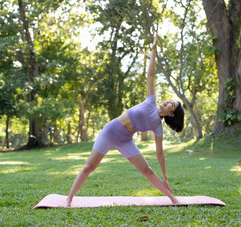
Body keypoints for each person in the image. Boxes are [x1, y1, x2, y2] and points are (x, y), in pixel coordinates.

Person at [65, 34, 184, 207]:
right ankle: (69, 199)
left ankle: (173, 199)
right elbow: (151, 75)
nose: (167, 101)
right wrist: (153, 49)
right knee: (89, 166)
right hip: (110, 132)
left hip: (125, 139)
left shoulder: (157, 127)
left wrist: (165, 176)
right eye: (170, 100)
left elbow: (160, 153)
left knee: (147, 170)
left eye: (171, 104)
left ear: (171, 114)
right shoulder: (151, 100)